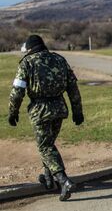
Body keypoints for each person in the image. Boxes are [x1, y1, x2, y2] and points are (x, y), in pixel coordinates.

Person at [8, 35, 83, 201]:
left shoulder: (27, 63)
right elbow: (73, 87)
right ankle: (48, 178)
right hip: (59, 108)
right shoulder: (59, 59)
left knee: (45, 147)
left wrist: (13, 112)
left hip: (40, 110)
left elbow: (17, 92)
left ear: (29, 48)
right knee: (49, 144)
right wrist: (77, 110)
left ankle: (64, 181)